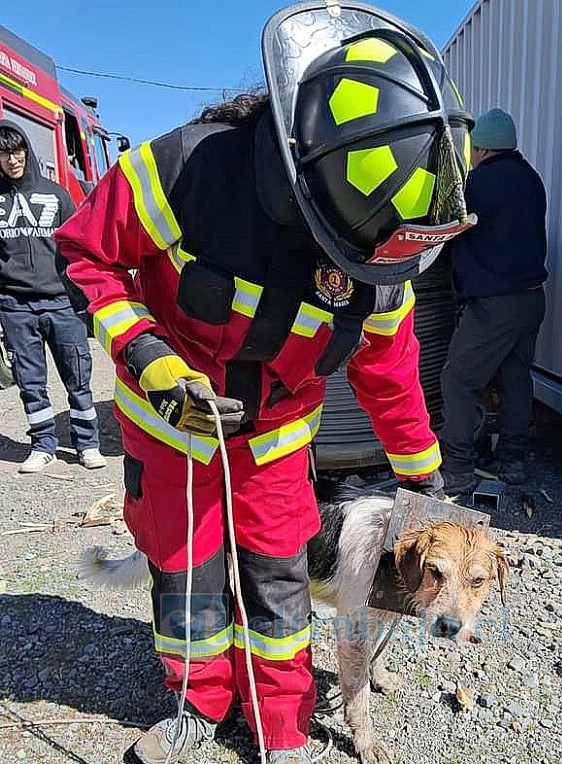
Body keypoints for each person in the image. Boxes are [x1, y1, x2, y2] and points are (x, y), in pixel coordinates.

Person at [54, 5, 474, 763]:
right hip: (170, 426)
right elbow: (87, 255)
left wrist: (425, 480)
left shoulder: (383, 258)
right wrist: (146, 353)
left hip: (276, 441)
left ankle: (281, 730)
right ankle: (196, 703)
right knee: (184, 573)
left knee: (280, 584)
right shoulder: (187, 169)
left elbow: (389, 376)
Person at [440, 108, 548, 494]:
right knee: (516, 378)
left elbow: (449, 226)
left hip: (494, 305)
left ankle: (458, 469)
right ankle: (513, 462)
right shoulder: (531, 180)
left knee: (457, 380)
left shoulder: (482, 182)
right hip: (532, 299)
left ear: (481, 148)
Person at [0, 121, 105, 473]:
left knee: (77, 375)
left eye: (17, 151)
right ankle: (43, 445)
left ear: (27, 152)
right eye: (3, 153)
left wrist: (84, 301)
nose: (11, 160)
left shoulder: (56, 194)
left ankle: (87, 443)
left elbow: (76, 248)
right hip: (14, 306)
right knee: (30, 380)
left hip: (62, 303)